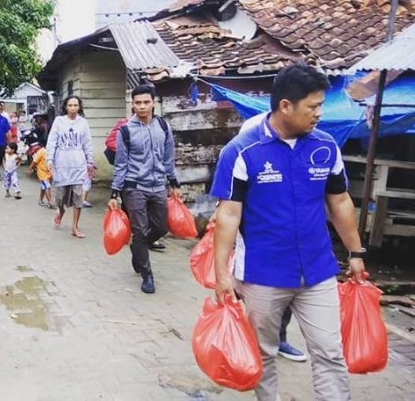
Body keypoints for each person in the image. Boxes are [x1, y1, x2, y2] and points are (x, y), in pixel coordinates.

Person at [211, 64, 367, 400]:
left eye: (320, 105)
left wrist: (356, 253)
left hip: (318, 271)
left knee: (330, 352)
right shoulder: (241, 151)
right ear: (285, 105)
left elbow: (339, 201)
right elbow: (228, 214)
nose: (319, 114)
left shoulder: (325, 147)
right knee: (263, 354)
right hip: (261, 274)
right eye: (312, 107)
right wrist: (221, 274)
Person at [235, 112, 307, 363]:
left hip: (293, 240)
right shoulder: (252, 129)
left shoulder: (308, 135)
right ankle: (245, 341)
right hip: (255, 237)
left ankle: (279, 339)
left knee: (286, 291)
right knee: (250, 294)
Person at [108, 84, 181, 294]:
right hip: (134, 186)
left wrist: (174, 183)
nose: (142, 107)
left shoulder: (164, 127)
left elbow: (169, 159)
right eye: (137, 103)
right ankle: (147, 274)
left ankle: (137, 248)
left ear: (153, 103)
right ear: (132, 104)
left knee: (161, 227)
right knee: (139, 229)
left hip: (158, 185)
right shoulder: (126, 131)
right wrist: (114, 192)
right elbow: (121, 163)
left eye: (146, 102)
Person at [47, 95, 95, 239]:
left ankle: (75, 227)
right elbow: (52, 141)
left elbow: (87, 143)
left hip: (78, 165)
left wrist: (90, 162)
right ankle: (60, 212)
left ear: (79, 107)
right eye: (70, 105)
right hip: (62, 164)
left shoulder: (83, 123)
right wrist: (49, 159)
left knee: (78, 198)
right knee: (60, 198)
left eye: (75, 105)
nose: (73, 108)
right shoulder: (59, 121)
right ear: (65, 107)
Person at [28, 141, 53, 207]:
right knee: (47, 186)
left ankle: (40, 200)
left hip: (46, 172)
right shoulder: (45, 151)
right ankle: (49, 202)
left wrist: (30, 169)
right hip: (44, 173)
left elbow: (34, 162)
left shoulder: (40, 152)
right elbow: (34, 162)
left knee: (44, 187)